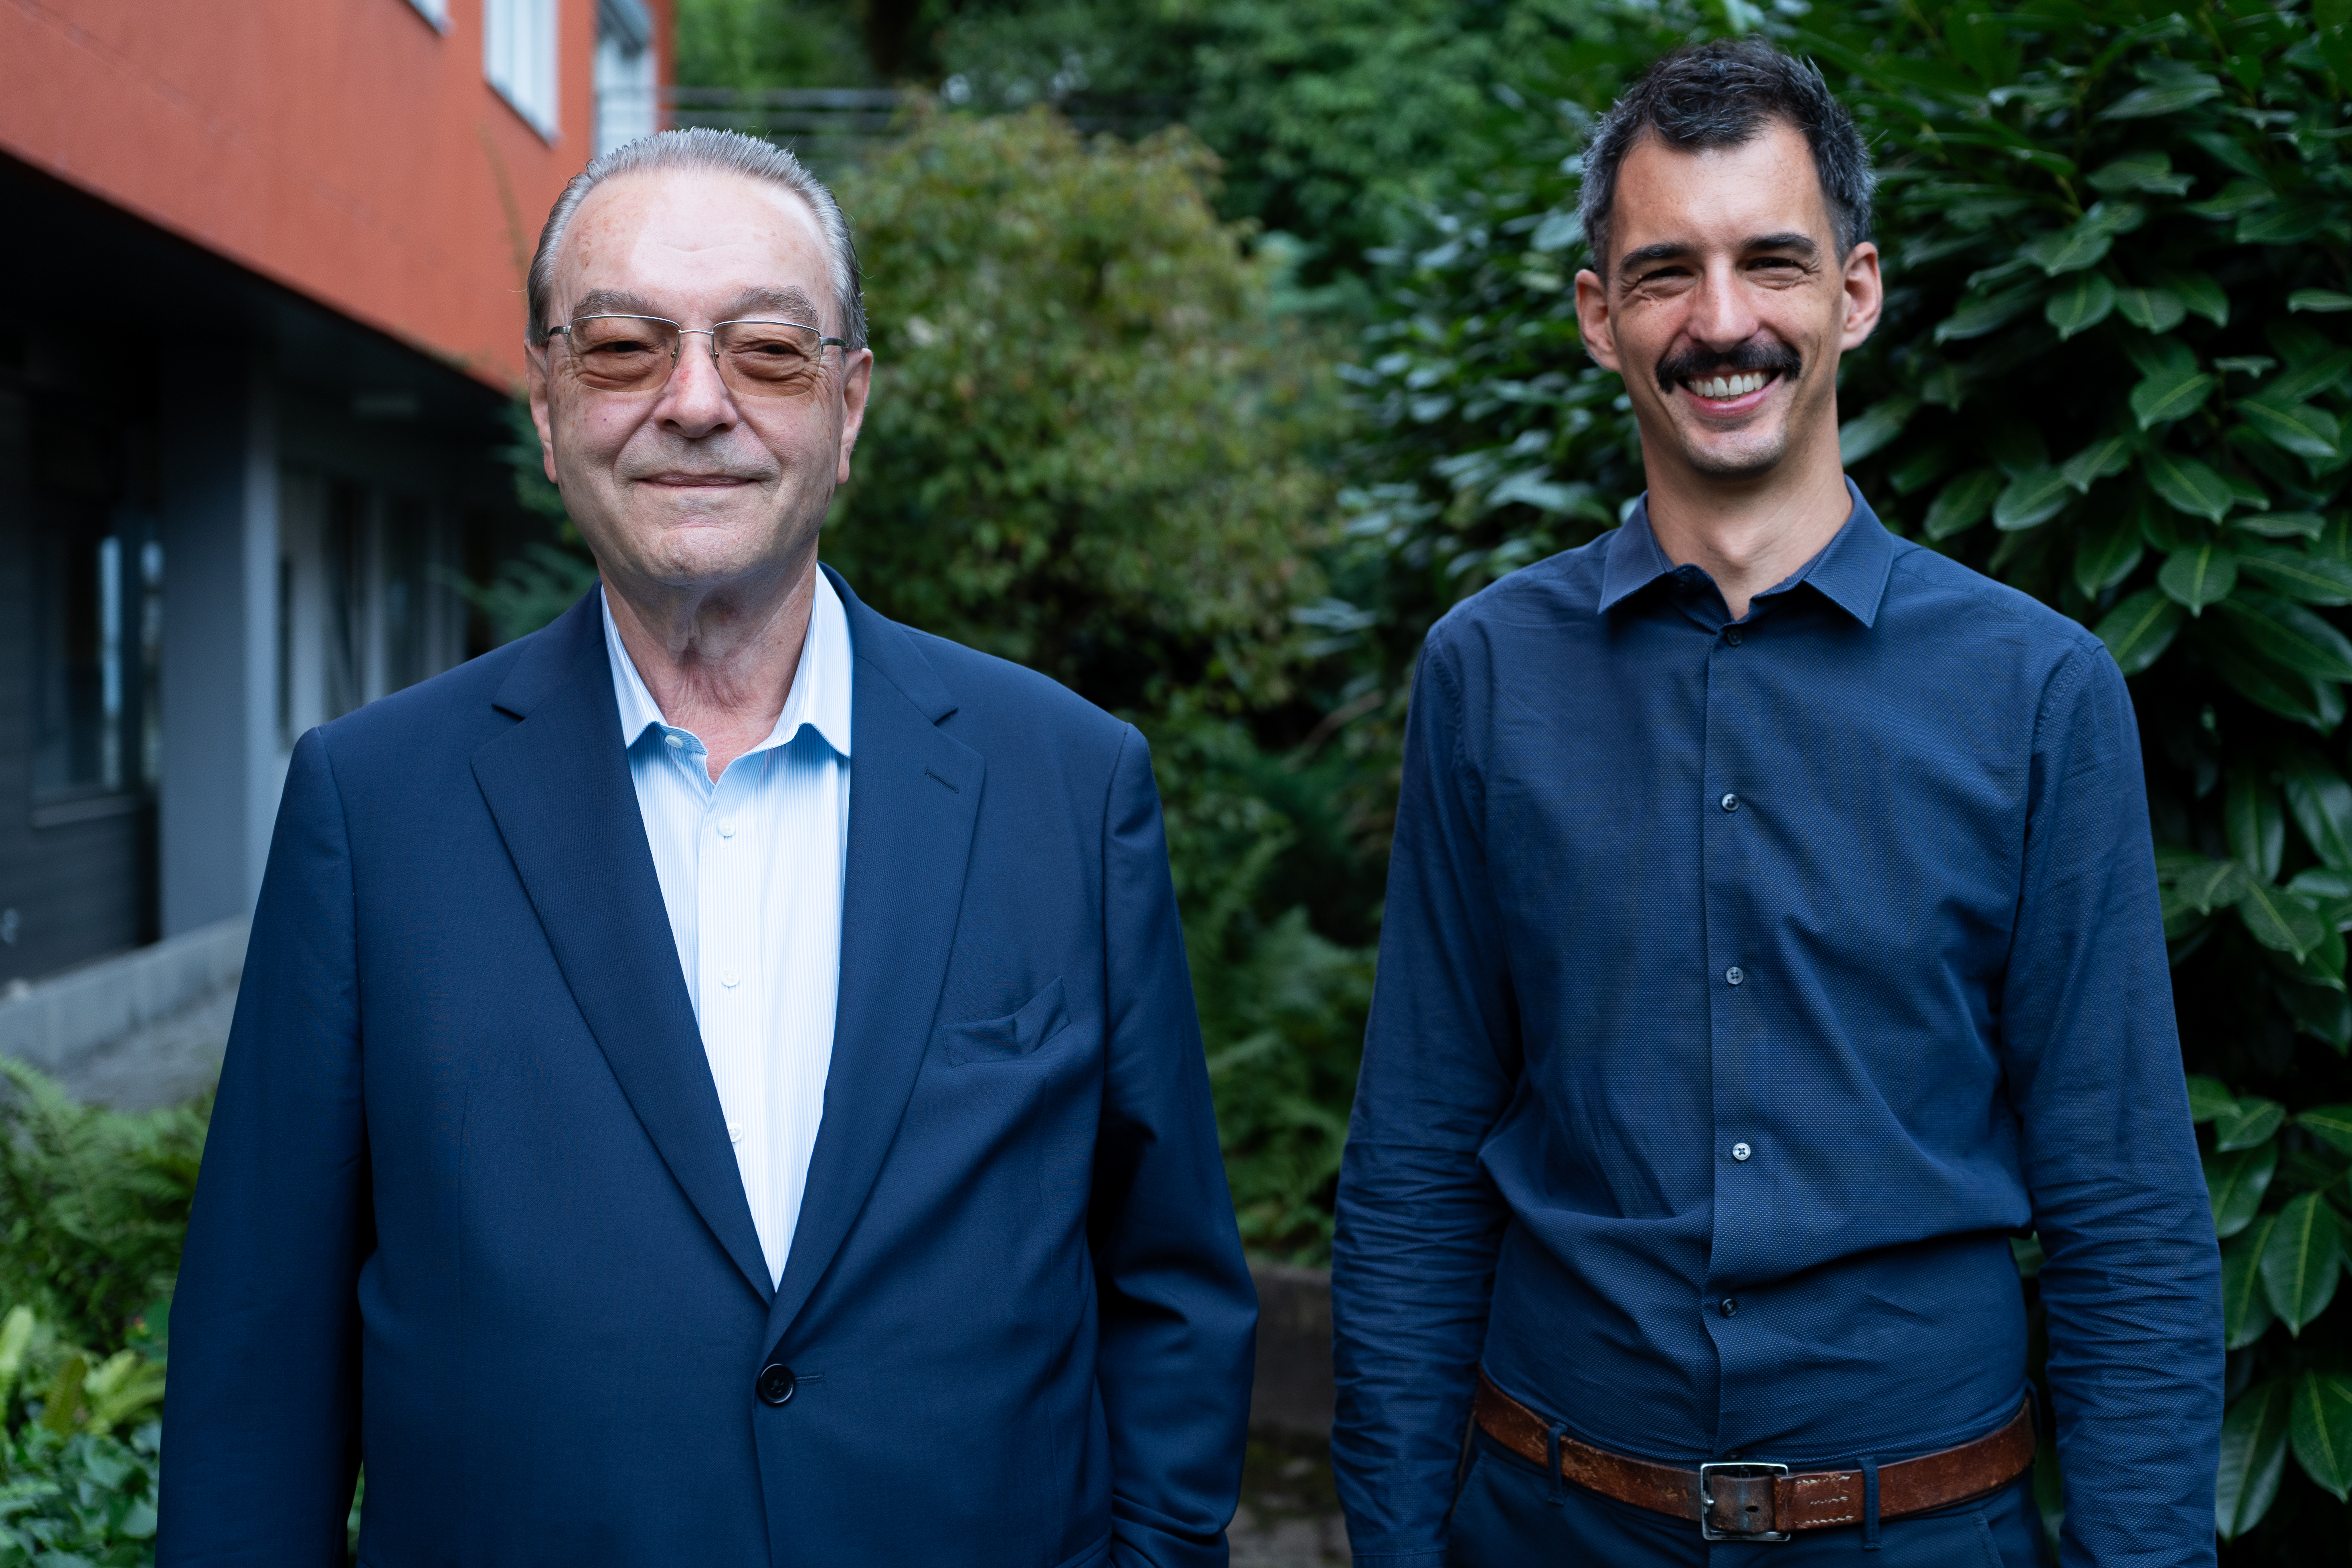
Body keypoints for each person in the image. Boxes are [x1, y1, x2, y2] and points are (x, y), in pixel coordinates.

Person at [158, 128, 1256, 1565]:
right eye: (622, 350)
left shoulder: (1066, 779)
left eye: (768, 352)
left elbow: (1169, 1287)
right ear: (547, 408)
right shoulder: (373, 806)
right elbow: (261, 1352)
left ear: (847, 408)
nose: (695, 403)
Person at [1330, 39, 2220, 1568]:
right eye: (1666, 273)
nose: (1721, 323)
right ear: (1600, 318)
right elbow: (1416, 1155)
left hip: (1923, 1534)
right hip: (1554, 1528)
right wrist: (1403, 1538)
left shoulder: (2038, 691)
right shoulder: (1486, 673)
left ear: (1855, 293)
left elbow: (2123, 1201)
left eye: (1773, 264)